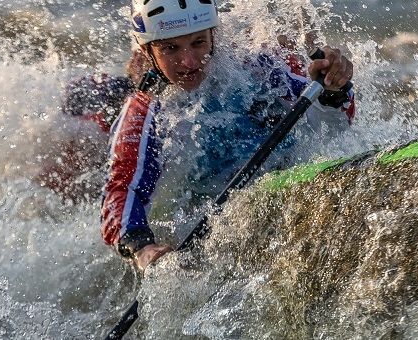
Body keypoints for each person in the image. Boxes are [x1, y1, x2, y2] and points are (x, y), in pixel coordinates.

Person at [96, 0, 355, 271]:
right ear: (149, 52)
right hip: (203, 212)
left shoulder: (257, 67)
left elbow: (339, 122)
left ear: (213, 37)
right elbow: (122, 190)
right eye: (171, 48)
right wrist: (143, 248)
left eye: (198, 43)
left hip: (277, 177)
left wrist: (333, 88)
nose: (189, 61)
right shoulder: (145, 112)